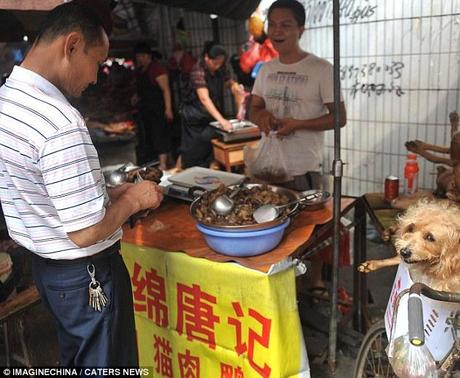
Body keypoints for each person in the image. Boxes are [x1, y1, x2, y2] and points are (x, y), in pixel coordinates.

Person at [0, 2, 163, 367]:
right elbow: (87, 231)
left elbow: (45, 190)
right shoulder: (60, 122)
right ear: (71, 45)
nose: (95, 76)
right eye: (96, 61)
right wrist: (135, 199)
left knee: (80, 362)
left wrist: (108, 193)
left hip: (48, 271)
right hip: (86, 275)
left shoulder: (8, 98)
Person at [249, 0, 347, 292]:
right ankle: (281, 289)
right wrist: (263, 116)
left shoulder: (320, 69)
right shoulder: (266, 69)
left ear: (300, 30)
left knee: (311, 233)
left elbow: (339, 117)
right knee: (271, 233)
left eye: (286, 25)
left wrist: (298, 124)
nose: (277, 31)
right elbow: (253, 110)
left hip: (304, 168)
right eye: (273, 24)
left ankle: (314, 285)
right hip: (269, 171)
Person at [180, 41, 243, 169]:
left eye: (220, 63)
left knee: (210, 148)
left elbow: (228, 82)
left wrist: (234, 86)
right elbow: (204, 98)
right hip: (194, 116)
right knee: (193, 153)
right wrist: (222, 121)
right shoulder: (198, 69)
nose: (217, 66)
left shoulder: (220, 68)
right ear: (206, 57)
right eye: (215, 63)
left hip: (210, 115)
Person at [134, 42, 173, 170]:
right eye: (137, 56)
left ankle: (163, 164)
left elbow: (166, 90)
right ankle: (155, 162)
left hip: (158, 108)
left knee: (160, 135)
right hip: (147, 109)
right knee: (151, 136)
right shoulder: (141, 70)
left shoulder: (157, 69)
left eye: (140, 56)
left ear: (147, 56)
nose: (138, 59)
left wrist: (168, 109)